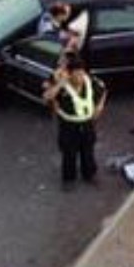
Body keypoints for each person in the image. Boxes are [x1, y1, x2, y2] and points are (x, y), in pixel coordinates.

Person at [45, 57, 106, 188]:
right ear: (69, 73)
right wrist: (61, 83)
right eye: (76, 74)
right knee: (69, 153)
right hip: (69, 125)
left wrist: (100, 106)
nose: (80, 77)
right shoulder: (62, 86)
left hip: (87, 123)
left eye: (81, 73)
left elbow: (103, 90)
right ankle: (68, 179)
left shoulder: (90, 81)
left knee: (88, 150)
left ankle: (90, 174)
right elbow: (47, 96)